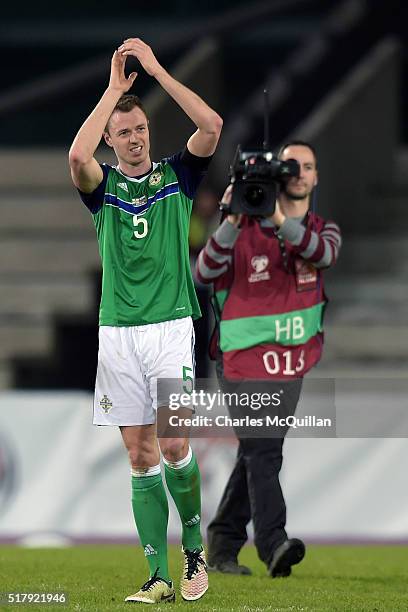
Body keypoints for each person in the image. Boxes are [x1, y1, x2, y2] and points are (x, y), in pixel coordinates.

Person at [68, 38, 222, 604]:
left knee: (176, 442)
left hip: (170, 329)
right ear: (112, 137)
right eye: (124, 132)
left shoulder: (178, 178)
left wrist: (156, 71)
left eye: (140, 130)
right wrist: (112, 92)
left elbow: (211, 124)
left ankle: (194, 552)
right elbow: (76, 161)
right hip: (118, 335)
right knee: (139, 455)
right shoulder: (102, 189)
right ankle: (157, 576)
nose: (134, 138)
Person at [196, 141, 341, 577]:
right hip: (239, 358)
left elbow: (324, 255)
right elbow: (202, 273)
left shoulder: (321, 228)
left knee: (259, 450)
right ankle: (273, 543)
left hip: (290, 360)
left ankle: (222, 540)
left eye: (307, 166)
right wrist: (232, 220)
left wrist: (277, 220)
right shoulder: (241, 229)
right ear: (278, 175)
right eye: (291, 165)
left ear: (315, 177)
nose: (298, 172)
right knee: (263, 451)